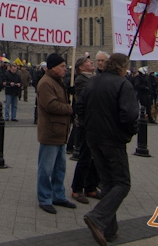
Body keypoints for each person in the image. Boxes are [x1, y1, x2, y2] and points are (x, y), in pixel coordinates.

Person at [81, 53, 139, 246]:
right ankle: (97, 217)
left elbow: (80, 106)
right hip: (112, 140)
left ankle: (109, 229)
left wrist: (87, 126)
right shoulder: (123, 84)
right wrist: (128, 132)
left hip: (93, 138)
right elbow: (130, 114)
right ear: (122, 67)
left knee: (107, 183)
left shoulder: (93, 81)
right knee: (122, 183)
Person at [35, 53, 76, 214]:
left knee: (60, 167)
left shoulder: (58, 82)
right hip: (51, 131)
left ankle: (58, 195)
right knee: (46, 168)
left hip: (60, 131)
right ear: (53, 68)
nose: (65, 69)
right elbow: (51, 105)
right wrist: (69, 108)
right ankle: (44, 197)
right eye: (62, 66)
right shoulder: (46, 83)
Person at [70, 56, 100, 204]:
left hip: (96, 123)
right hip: (86, 124)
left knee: (96, 157)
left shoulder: (93, 78)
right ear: (81, 67)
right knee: (85, 158)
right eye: (88, 62)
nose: (92, 62)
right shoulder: (82, 80)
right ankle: (77, 188)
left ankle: (90, 186)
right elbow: (86, 101)